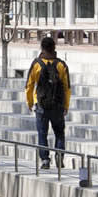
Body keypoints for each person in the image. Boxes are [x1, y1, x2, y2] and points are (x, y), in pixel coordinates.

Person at [25, 35, 71, 169]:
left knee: (42, 133)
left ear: (42, 48)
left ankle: (45, 159)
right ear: (54, 48)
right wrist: (66, 105)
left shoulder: (36, 64)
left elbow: (29, 85)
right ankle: (59, 155)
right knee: (59, 132)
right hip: (58, 105)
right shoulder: (61, 65)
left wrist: (29, 102)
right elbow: (67, 88)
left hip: (41, 105)